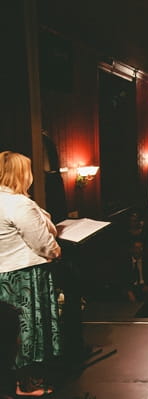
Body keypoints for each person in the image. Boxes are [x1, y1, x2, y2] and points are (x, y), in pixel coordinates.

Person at [0, 151, 62, 397]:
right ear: (21, 174)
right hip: (25, 275)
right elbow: (43, 241)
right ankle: (27, 384)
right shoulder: (19, 204)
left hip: (4, 274)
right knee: (29, 330)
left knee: (9, 330)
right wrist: (56, 251)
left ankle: (13, 381)